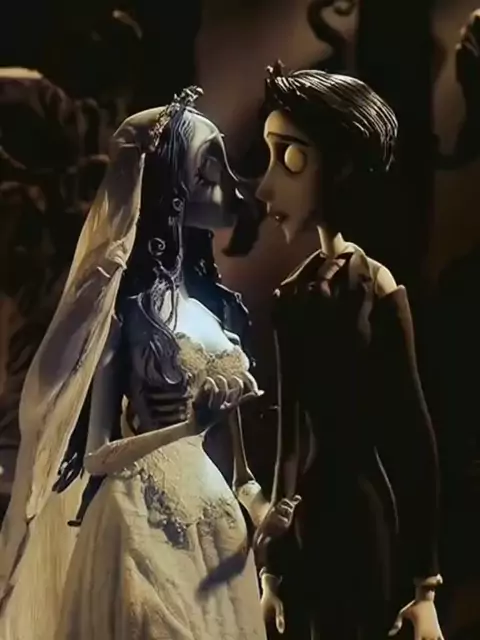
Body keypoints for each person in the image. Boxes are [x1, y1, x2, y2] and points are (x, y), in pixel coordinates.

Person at [0, 87, 267, 639]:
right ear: (173, 189)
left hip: (215, 522)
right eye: (208, 169)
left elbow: (238, 464)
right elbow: (97, 455)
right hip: (140, 520)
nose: (230, 182)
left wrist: (258, 503)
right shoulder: (131, 316)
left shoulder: (211, 311)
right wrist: (189, 428)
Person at [253, 63, 444, 640]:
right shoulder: (290, 297)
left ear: (338, 167)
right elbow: (288, 441)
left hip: (364, 519)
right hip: (309, 522)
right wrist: (271, 572)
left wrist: (425, 587)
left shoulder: (374, 287)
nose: (266, 186)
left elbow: (413, 436)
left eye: (291, 158)